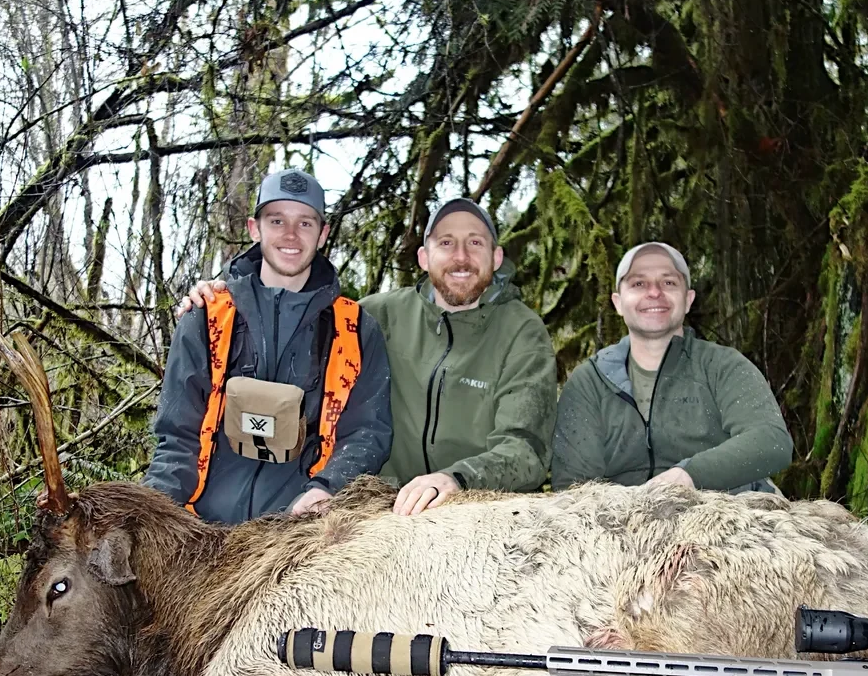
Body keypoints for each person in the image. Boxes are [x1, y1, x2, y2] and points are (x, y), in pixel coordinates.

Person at [177, 197, 557, 516]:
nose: (460, 256)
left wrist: (456, 478)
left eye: (475, 243)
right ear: (424, 257)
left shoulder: (522, 331)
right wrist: (223, 293)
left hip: (476, 509)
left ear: (496, 255)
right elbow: (294, 322)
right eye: (446, 243)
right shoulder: (375, 315)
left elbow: (526, 450)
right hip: (379, 511)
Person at [145, 169, 392, 524]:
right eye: (277, 220)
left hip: (299, 535)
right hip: (204, 530)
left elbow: (368, 432)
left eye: (305, 223)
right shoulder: (207, 316)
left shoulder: (353, 328)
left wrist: (328, 488)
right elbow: (176, 435)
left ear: (322, 234)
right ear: (254, 228)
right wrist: (155, 513)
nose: (291, 235)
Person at [551, 241, 792, 493]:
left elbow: (771, 441)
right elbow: (572, 485)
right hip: (622, 519)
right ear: (618, 303)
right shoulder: (590, 382)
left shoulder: (723, 366)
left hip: (724, 511)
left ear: (688, 300)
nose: (654, 292)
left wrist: (689, 475)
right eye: (638, 283)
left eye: (668, 283)